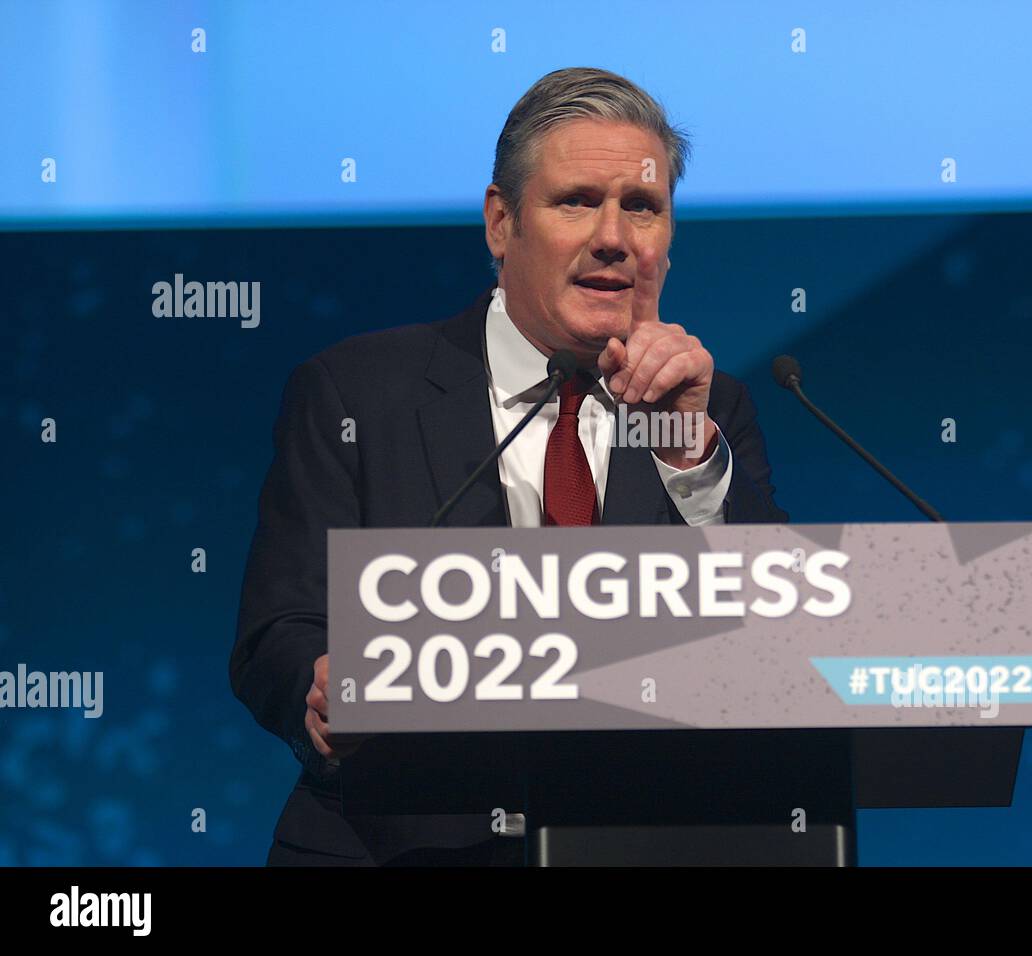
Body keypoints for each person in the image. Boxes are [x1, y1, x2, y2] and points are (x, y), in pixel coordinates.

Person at [230, 66, 788, 866]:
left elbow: (781, 644)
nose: (614, 237)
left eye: (642, 207)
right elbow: (274, 631)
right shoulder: (358, 391)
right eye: (576, 201)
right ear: (501, 223)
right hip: (396, 846)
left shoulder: (710, 411)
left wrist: (686, 457)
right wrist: (320, 688)